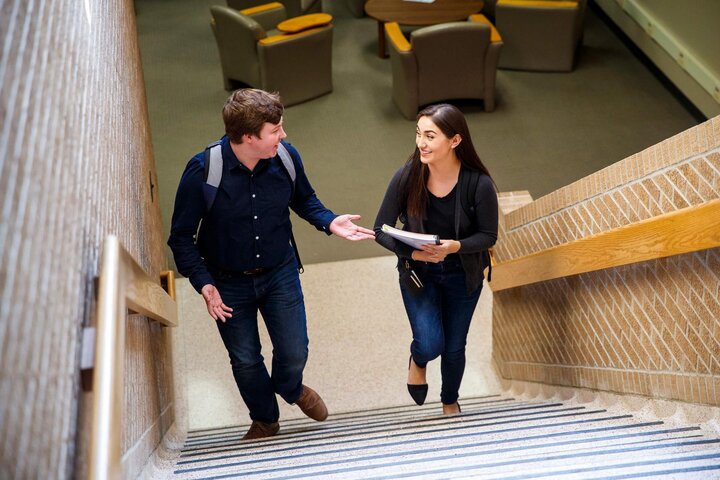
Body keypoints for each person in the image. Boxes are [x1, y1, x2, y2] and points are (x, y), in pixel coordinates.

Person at [168, 88, 375, 440]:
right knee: (246, 360)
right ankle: (265, 419)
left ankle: (290, 387)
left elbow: (305, 199)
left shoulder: (286, 158)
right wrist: (204, 284)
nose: (283, 135)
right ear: (248, 137)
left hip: (280, 272)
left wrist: (329, 221)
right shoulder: (204, 171)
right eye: (275, 130)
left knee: (295, 350)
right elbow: (181, 237)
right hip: (227, 282)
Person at [373, 103, 498, 415]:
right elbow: (380, 230)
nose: (421, 143)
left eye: (430, 136)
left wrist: (454, 246)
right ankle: (418, 359)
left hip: (463, 272)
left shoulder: (478, 184)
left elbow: (488, 236)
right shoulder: (406, 177)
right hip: (419, 272)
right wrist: (414, 252)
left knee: (455, 346)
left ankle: (449, 401)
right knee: (430, 343)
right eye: (418, 134)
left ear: (455, 141)